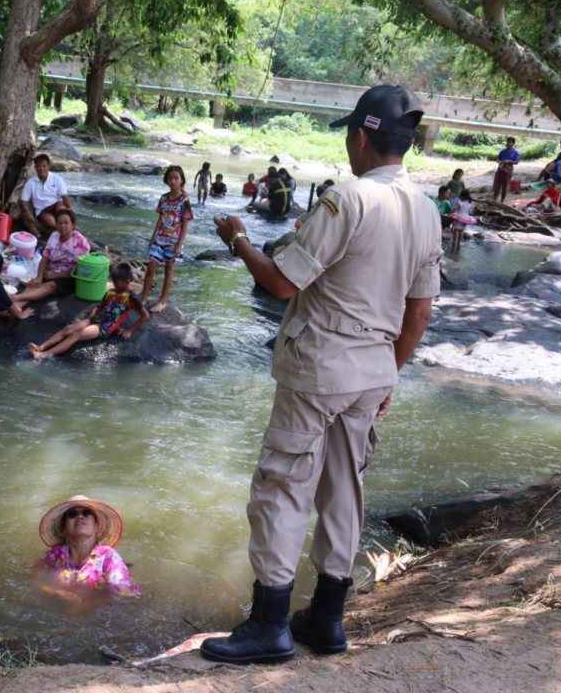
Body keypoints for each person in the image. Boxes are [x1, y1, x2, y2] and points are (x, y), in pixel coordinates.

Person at [202, 84, 441, 665]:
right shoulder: (427, 208)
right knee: (344, 489)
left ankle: (270, 625)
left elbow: (284, 283)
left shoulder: (348, 198)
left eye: (348, 133)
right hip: (372, 372)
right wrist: (389, 373)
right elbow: (420, 311)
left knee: (283, 486)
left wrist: (238, 242)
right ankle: (328, 619)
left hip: (319, 369)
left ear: (362, 135)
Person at [28, 263, 149, 359]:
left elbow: (145, 316)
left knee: (76, 335)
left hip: (104, 327)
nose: (116, 285)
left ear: (127, 281)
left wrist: (129, 330)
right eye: (114, 282)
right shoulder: (111, 292)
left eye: (118, 283)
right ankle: (40, 347)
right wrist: (90, 318)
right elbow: (99, 307)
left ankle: (44, 355)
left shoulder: (130, 297)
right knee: (68, 329)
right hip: (94, 320)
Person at [35, 496, 139, 599]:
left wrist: (85, 603)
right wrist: (56, 592)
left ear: (96, 526)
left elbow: (122, 596)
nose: (80, 517)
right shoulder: (56, 554)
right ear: (64, 528)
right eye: (72, 514)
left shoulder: (108, 557)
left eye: (87, 513)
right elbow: (34, 576)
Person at [140, 165, 192, 313]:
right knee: (151, 267)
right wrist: (152, 237)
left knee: (169, 269)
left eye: (176, 178)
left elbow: (185, 223)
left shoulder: (184, 200)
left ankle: (162, 301)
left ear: (181, 180)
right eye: (170, 178)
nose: (173, 181)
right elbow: (160, 219)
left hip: (174, 240)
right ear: (166, 180)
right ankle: (143, 298)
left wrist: (179, 245)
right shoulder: (163, 198)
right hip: (160, 238)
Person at [11, 209, 90, 306]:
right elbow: (45, 258)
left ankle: (15, 298)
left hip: (70, 278)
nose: (63, 226)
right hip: (51, 273)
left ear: (73, 225)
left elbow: (81, 267)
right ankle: (16, 306)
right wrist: (39, 277)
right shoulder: (54, 236)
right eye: (60, 223)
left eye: (66, 223)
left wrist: (57, 275)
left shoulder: (80, 241)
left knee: (49, 286)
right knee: (34, 284)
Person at [20, 154, 73, 236]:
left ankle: (69, 227)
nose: (41, 169)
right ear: (35, 167)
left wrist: (70, 210)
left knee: (62, 210)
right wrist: (27, 213)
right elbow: (23, 201)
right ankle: (65, 230)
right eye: (39, 166)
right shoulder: (30, 183)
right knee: (50, 221)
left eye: (44, 166)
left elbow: (65, 197)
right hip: (42, 210)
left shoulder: (57, 179)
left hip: (57, 204)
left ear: (49, 166)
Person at [492, 137, 519, 203]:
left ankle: (502, 201)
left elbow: (516, 162)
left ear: (513, 143)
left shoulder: (515, 152)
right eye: (507, 142)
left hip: (507, 172)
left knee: (505, 188)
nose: (508, 143)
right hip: (499, 171)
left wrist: (508, 161)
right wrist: (500, 162)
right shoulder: (502, 151)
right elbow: (497, 159)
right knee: (496, 187)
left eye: (510, 142)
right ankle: (494, 201)